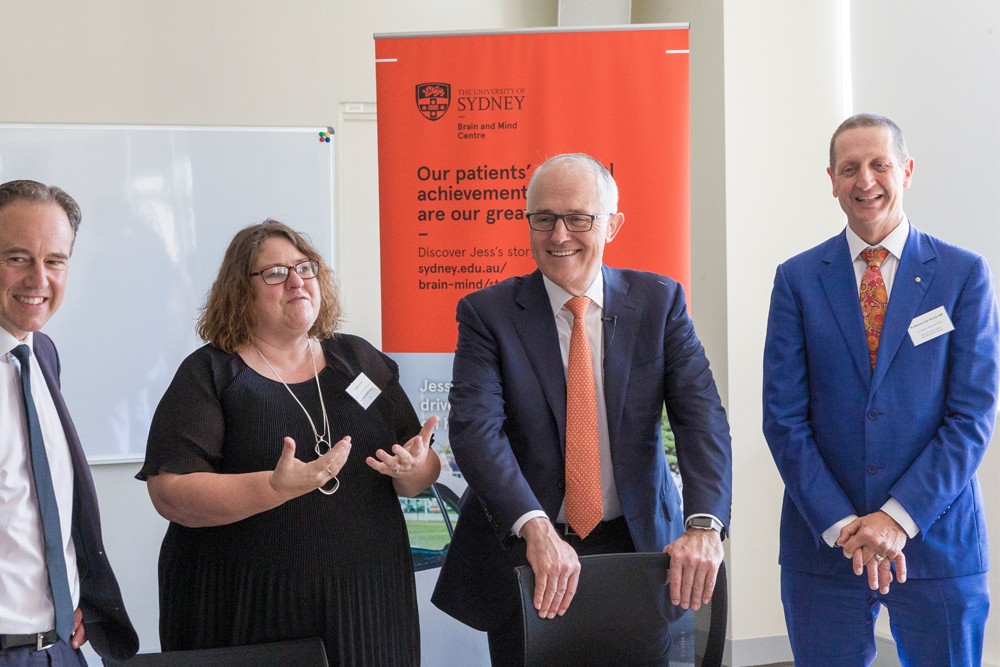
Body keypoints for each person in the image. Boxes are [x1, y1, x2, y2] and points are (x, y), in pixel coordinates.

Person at [431, 153, 733, 664]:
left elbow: (700, 416)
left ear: (613, 225)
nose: (558, 235)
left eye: (578, 218)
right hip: (527, 550)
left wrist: (704, 525)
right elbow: (477, 431)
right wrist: (534, 527)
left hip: (636, 548)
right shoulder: (488, 314)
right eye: (543, 219)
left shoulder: (660, 302)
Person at [137, 219, 440, 666]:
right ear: (241, 291)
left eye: (305, 267)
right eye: (275, 273)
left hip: (369, 604)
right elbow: (171, 493)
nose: (297, 281)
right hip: (250, 608)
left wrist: (416, 469)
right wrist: (274, 488)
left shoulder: (358, 360)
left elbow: (418, 468)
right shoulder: (211, 374)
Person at [763, 113, 999, 665]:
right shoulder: (797, 280)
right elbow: (784, 419)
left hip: (936, 538)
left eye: (879, 164)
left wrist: (897, 518)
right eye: (849, 168)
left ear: (907, 171)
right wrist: (847, 527)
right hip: (824, 543)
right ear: (831, 178)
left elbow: (972, 417)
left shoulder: (963, 275)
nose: (864, 180)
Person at [0, 180, 138, 665]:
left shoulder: (40, 353)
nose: (39, 279)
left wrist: (62, 605)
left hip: (59, 649)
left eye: (55, 261)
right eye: (17, 258)